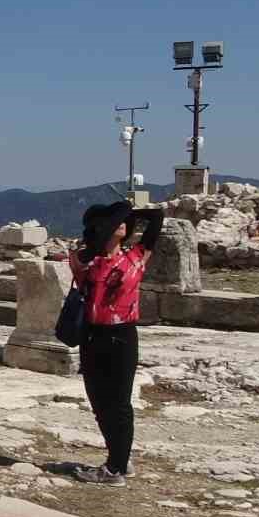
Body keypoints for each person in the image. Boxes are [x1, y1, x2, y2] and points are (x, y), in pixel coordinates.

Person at [69, 202, 163, 486]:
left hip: (123, 336)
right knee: (100, 403)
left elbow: (157, 218)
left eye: (122, 221)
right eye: (114, 221)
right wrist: (110, 223)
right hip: (93, 336)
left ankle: (115, 469)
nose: (122, 224)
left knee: (119, 403)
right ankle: (118, 457)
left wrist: (126, 213)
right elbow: (82, 263)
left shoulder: (136, 255)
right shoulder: (85, 259)